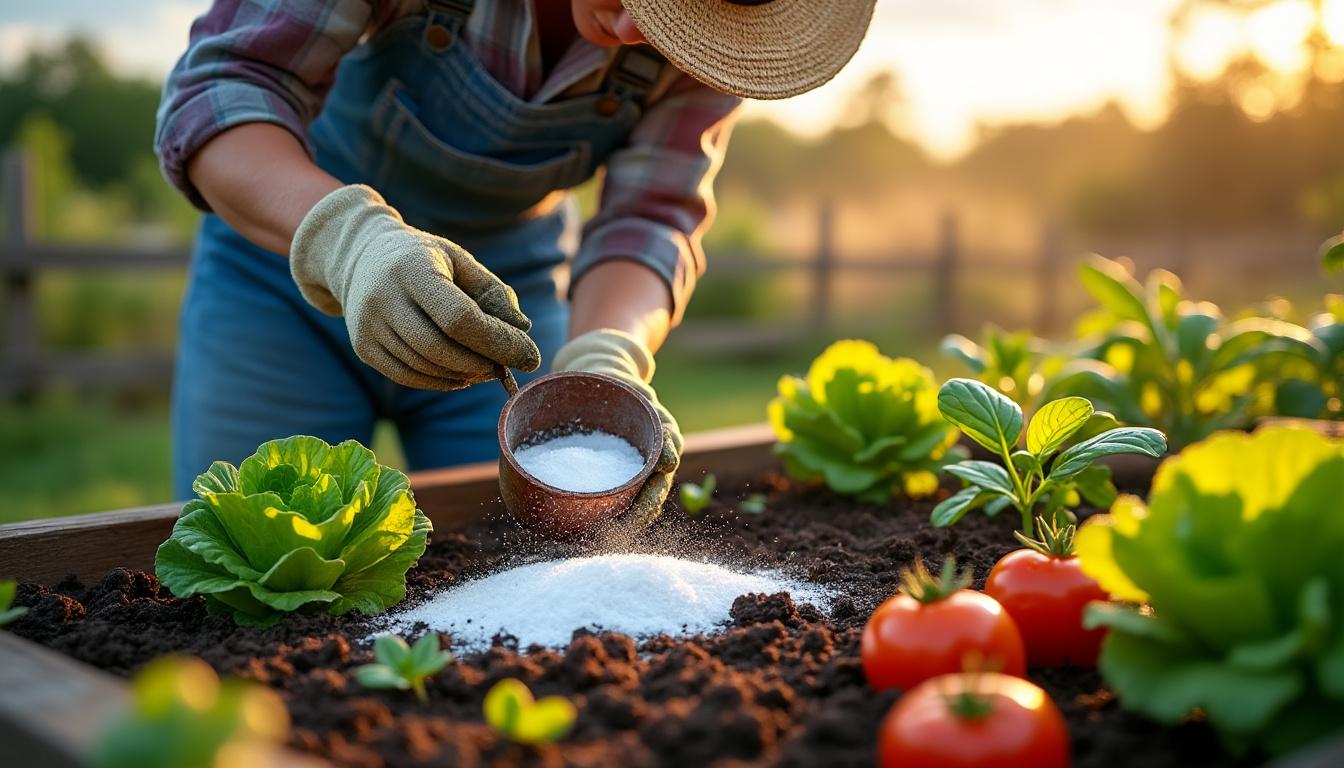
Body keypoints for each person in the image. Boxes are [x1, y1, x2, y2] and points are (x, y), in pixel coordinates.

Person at [157, 0, 875, 526]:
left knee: (521, 550)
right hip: (284, 258)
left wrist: (608, 353)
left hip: (507, 303)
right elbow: (223, 88)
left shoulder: (726, 34)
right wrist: (351, 243)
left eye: (675, 19)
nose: (635, 33)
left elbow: (649, 217)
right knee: (264, 549)